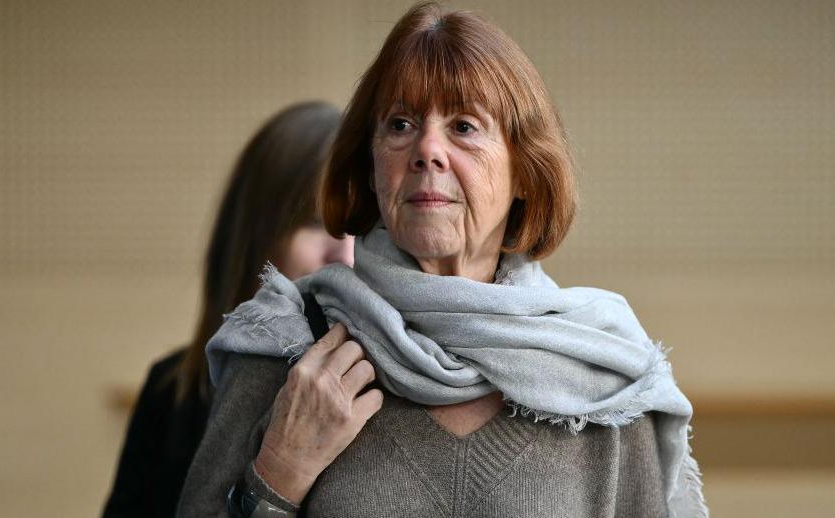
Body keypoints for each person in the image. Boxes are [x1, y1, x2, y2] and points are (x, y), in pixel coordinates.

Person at [177, 3, 707, 518]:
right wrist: (280, 472)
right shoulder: (289, 343)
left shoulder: (605, 376)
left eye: (464, 127)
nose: (427, 149)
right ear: (371, 167)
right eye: (401, 124)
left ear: (525, 170)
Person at [101, 101, 353, 518]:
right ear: (257, 233)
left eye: (361, 225)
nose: (344, 253)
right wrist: (280, 472)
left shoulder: (407, 389)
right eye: (313, 222)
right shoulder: (174, 394)